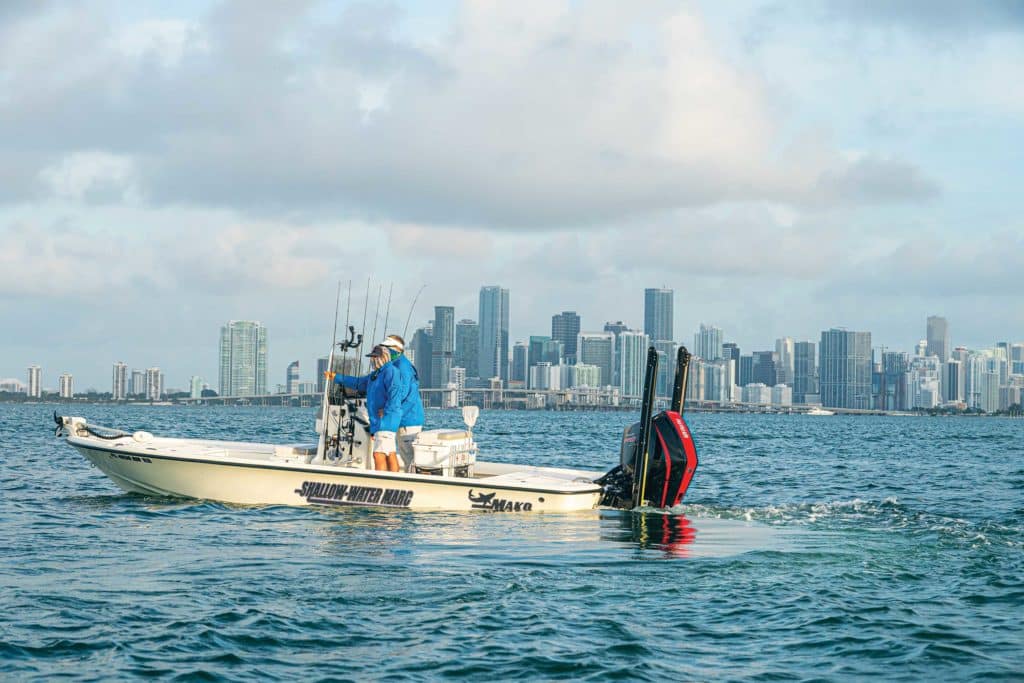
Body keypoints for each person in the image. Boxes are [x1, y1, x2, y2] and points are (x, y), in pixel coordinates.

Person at [325, 345, 406, 472]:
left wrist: (386, 411)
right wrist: (335, 377)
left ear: (383, 357)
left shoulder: (390, 371)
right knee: (389, 452)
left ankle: (381, 482)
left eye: (375, 357)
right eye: (372, 358)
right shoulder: (376, 374)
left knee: (378, 454)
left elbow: (395, 394)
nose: (373, 360)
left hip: (385, 420)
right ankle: (393, 481)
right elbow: (358, 383)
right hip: (381, 420)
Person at [380, 334, 424, 470]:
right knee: (407, 457)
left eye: (387, 348)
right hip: (406, 418)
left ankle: (414, 486)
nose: (385, 351)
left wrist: (386, 411)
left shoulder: (401, 366)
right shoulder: (399, 364)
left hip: (407, 420)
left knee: (410, 459)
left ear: (396, 349)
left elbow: (401, 393)